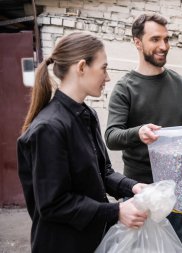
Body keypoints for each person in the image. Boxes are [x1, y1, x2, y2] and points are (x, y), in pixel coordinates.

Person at [104, 13, 182, 253]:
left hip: (177, 190)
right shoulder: (125, 88)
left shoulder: (179, 83)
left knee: (180, 248)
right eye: (155, 39)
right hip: (140, 191)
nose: (164, 46)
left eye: (166, 39)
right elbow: (111, 136)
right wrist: (138, 132)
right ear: (137, 42)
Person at [17, 32, 148, 253]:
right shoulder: (49, 128)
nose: (107, 78)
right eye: (104, 68)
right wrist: (116, 211)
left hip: (91, 240)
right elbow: (54, 203)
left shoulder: (87, 115)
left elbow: (103, 171)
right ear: (81, 67)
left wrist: (133, 186)